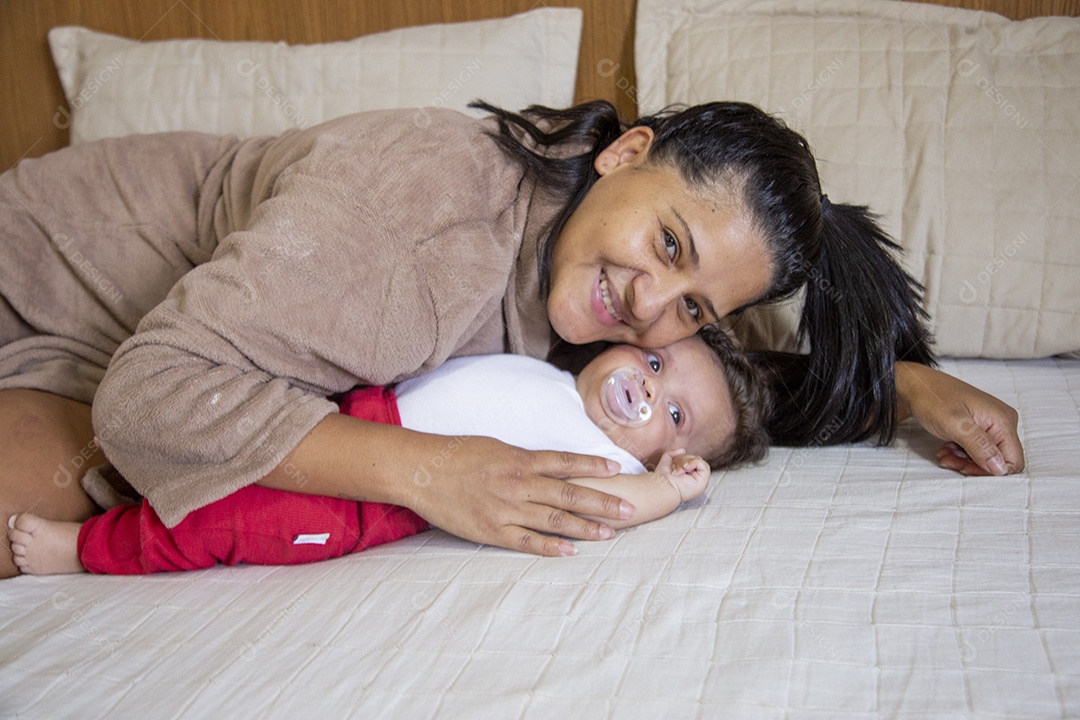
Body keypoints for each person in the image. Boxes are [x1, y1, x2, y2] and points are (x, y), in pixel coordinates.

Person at [0, 100, 1024, 577]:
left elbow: (699, 393)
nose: (651, 308)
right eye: (668, 243)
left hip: (125, 348)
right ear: (626, 154)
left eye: (695, 309)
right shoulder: (417, 235)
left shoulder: (593, 259)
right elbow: (154, 393)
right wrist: (432, 472)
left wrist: (901, 385)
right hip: (44, 290)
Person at [7, 329, 770, 575]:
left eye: (674, 413)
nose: (648, 386)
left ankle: (88, 551)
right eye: (657, 361)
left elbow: (611, 507)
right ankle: (132, 492)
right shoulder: (552, 371)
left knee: (226, 524)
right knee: (225, 454)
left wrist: (670, 489)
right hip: (355, 421)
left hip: (368, 503)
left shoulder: (604, 458)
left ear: (666, 452)